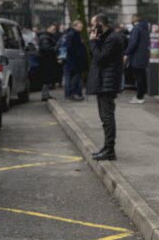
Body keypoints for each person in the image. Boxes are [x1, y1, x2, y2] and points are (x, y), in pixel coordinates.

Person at [88, 14, 125, 161]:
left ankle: (110, 150)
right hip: (103, 82)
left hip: (107, 84)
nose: (91, 28)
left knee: (107, 118)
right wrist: (97, 40)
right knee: (104, 118)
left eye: (93, 25)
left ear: (100, 24)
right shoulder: (108, 37)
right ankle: (106, 147)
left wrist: (93, 43)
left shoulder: (113, 38)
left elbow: (101, 58)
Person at [123, 14, 151, 104]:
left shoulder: (136, 29)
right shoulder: (145, 28)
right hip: (143, 56)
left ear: (134, 19)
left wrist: (127, 53)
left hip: (136, 56)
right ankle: (141, 95)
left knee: (138, 77)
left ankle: (139, 97)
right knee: (142, 76)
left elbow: (133, 43)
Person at [61, 21, 86, 101]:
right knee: (73, 77)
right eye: (80, 26)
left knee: (73, 77)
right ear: (75, 26)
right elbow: (71, 48)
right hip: (74, 60)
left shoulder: (72, 34)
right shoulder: (73, 35)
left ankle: (73, 93)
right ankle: (71, 93)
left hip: (73, 60)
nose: (81, 28)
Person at [38, 24, 60, 101]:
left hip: (46, 60)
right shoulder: (45, 37)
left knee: (46, 78)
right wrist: (55, 48)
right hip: (46, 61)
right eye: (53, 29)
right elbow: (46, 48)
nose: (54, 31)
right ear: (48, 28)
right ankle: (45, 95)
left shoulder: (46, 37)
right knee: (46, 78)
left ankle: (46, 94)